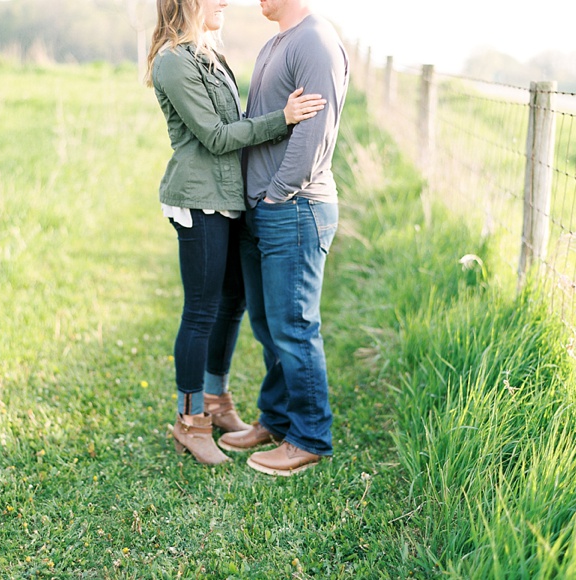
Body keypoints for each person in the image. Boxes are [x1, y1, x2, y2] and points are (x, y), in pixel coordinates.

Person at [146, 0, 327, 465]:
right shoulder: (173, 60)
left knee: (232, 303)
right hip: (199, 199)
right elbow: (217, 136)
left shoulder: (209, 53)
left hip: (226, 199)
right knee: (202, 310)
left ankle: (218, 403)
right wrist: (282, 119)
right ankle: (191, 422)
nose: (225, 1)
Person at [217, 0, 349, 476]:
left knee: (294, 326)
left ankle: (310, 437)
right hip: (267, 209)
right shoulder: (278, 40)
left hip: (294, 208)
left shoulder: (315, 41)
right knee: (268, 325)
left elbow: (315, 138)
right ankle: (275, 419)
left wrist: (274, 197)